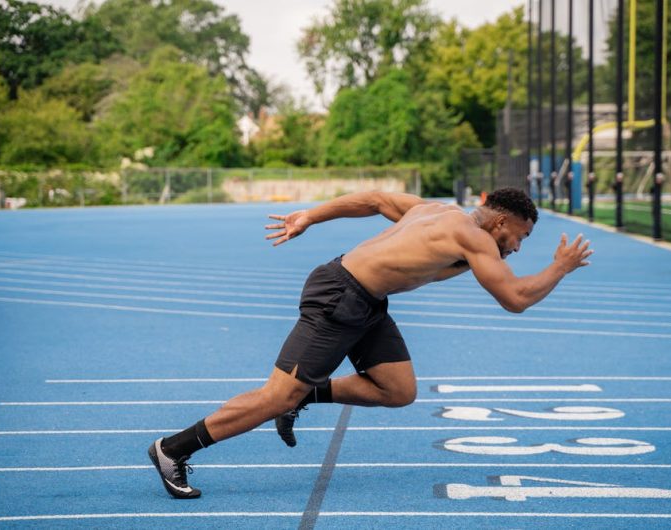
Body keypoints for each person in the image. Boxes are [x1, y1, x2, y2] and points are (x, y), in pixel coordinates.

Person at [148, 187, 592, 498]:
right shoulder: (474, 237)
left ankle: (306, 396)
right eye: (521, 236)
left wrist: (310, 216)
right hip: (340, 295)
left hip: (366, 301)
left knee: (398, 390)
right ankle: (173, 449)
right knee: (274, 396)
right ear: (501, 221)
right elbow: (514, 299)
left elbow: (377, 199)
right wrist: (560, 268)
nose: (517, 246)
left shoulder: (435, 210)